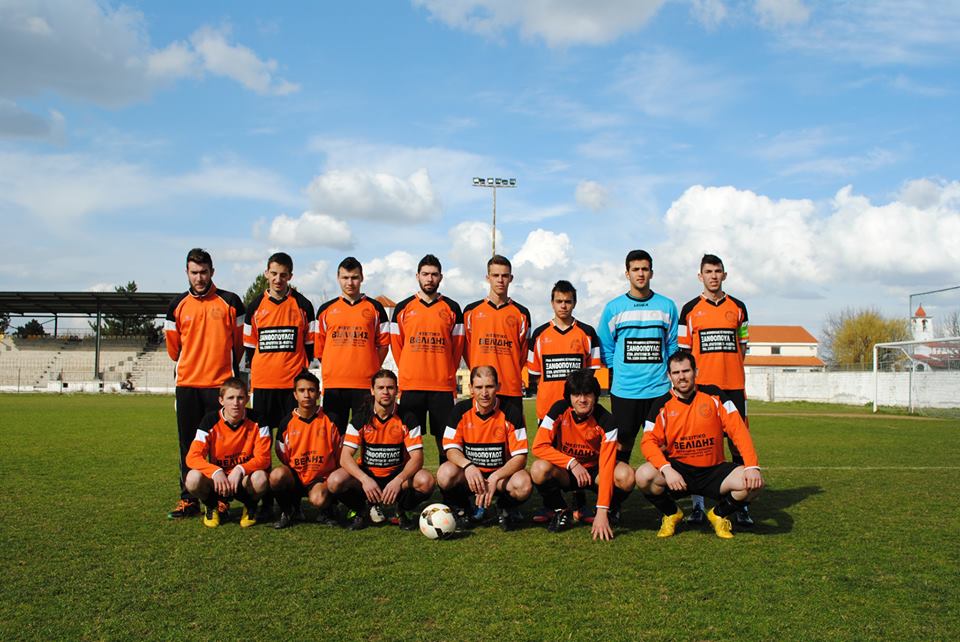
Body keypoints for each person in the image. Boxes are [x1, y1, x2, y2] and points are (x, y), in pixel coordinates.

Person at [635, 352, 763, 539]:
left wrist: (751, 465)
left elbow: (738, 430)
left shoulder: (714, 395)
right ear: (669, 376)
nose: (681, 376)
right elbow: (648, 442)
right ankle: (672, 513)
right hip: (679, 472)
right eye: (676, 372)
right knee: (643, 476)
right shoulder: (661, 405)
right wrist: (666, 469)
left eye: (686, 371)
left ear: (695, 372)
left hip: (714, 471)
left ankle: (718, 514)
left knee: (755, 483)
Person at [165, 248, 245, 519]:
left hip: (220, 386)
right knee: (189, 445)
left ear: (212, 271)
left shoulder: (230, 302)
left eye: (203, 272)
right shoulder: (177, 306)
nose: (199, 278)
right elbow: (173, 350)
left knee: (221, 447)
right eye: (194, 272)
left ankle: (222, 499)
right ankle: (189, 499)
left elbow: (238, 345)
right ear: (187, 273)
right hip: (188, 385)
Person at [678, 254, 752, 525]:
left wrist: (730, 370)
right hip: (703, 390)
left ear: (724, 275)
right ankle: (697, 505)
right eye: (708, 272)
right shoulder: (689, 309)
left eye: (717, 271)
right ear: (700, 276)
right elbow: (684, 354)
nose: (713, 276)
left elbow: (742, 347)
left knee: (737, 445)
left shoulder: (739, 307)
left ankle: (741, 504)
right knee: (701, 446)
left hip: (733, 387)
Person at [244, 251, 316, 520]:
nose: (278, 279)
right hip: (263, 387)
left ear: (290, 276)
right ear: (266, 273)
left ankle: (291, 501)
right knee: (261, 446)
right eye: (273, 273)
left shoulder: (303, 305)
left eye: (283, 275)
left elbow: (310, 347)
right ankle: (263, 500)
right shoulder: (255, 306)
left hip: (290, 389)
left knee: (293, 447)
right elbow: (249, 348)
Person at [526, 280, 601, 522]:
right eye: (559, 301)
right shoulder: (539, 334)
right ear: (552, 303)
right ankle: (552, 506)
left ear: (575, 303)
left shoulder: (587, 333)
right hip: (548, 410)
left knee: (579, 456)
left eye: (568, 301)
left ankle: (581, 503)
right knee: (548, 460)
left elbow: (592, 373)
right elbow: (535, 374)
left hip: (577, 412)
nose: (563, 306)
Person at [530, 369, 635, 540]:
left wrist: (602, 510)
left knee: (627, 476)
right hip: (566, 471)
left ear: (595, 396)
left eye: (587, 394)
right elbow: (538, 446)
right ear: (569, 396)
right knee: (538, 469)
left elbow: (606, 466)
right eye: (576, 394)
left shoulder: (607, 420)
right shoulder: (558, 409)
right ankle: (561, 509)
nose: (582, 400)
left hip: (594, 472)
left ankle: (611, 509)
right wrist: (572, 463)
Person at [327, 370, 436, 531]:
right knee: (334, 481)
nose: (385, 392)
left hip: (397, 475)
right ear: (372, 391)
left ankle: (401, 510)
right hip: (369, 475)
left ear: (397, 391)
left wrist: (398, 480)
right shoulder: (360, 418)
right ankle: (361, 509)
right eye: (380, 388)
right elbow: (345, 457)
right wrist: (365, 479)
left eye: (390, 388)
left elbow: (417, 458)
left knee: (427, 481)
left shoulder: (407, 417)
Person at [597, 249, 678, 463]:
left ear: (651, 273)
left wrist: (669, 374)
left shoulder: (667, 306)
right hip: (625, 390)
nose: (640, 273)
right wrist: (619, 371)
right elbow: (605, 346)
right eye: (635, 269)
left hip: (659, 389)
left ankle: (665, 483)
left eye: (645, 269)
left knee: (662, 444)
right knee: (623, 443)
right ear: (627, 273)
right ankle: (619, 483)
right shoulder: (613, 308)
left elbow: (672, 345)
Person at [437, 365, 532, 531]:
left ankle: (503, 507)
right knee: (445, 474)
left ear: (498, 387)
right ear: (470, 388)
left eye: (489, 386)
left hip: (501, 478)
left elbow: (520, 457)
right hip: (471, 477)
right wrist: (468, 466)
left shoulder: (512, 412)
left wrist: (495, 477)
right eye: (479, 387)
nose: (484, 393)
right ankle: (464, 508)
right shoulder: (460, 410)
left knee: (523, 484)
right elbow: (450, 448)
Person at [391, 254, 464, 464]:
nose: (429, 279)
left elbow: (457, 348)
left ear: (441, 277)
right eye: (425, 274)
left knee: (446, 441)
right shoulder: (403, 308)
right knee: (408, 441)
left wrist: (445, 371)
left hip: (442, 386)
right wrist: (409, 369)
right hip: (411, 385)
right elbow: (397, 346)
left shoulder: (452, 308)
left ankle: (448, 482)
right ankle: (407, 483)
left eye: (434, 274)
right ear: (417, 276)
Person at [315, 257, 390, 434]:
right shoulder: (325, 310)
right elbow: (319, 349)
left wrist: (370, 367)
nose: (350, 282)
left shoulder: (376, 308)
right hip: (334, 385)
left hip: (365, 384)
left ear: (362, 278)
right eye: (345, 278)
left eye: (354, 277)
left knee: (365, 434)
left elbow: (383, 345)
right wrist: (335, 367)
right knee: (334, 435)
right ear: (338, 278)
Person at [184, 377, 271, 528]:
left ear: (247, 399)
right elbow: (192, 457)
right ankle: (211, 506)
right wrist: (215, 471)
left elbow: (264, 458)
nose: (235, 403)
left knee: (261, 478)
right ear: (221, 400)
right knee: (192, 478)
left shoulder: (259, 420)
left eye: (240, 398)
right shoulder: (210, 421)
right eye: (230, 398)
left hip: (242, 479)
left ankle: (250, 506)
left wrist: (240, 469)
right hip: (218, 481)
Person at [269, 370, 343, 529]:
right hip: (296, 475)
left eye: (311, 390)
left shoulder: (331, 420)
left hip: (321, 478)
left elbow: (339, 454)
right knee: (276, 476)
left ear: (318, 394)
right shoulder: (286, 422)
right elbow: (281, 454)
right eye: (302, 390)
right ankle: (289, 510)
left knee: (318, 499)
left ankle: (328, 509)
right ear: (295, 395)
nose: (307, 395)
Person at [463, 255, 531, 424]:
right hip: (482, 390)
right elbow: (467, 349)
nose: (500, 280)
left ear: (511, 278)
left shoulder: (521, 313)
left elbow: (523, 353)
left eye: (505, 275)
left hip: (510, 388)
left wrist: (510, 370)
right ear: (488, 278)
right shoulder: (471, 311)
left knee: (514, 438)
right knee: (481, 438)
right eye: (495, 275)